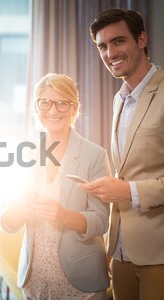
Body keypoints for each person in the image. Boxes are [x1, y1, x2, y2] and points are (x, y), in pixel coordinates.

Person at [0, 73, 111, 299]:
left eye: (62, 103)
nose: (53, 110)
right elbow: (8, 223)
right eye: (46, 102)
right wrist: (17, 213)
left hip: (81, 285)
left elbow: (101, 222)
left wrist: (65, 216)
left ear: (74, 108)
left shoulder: (94, 155)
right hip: (36, 281)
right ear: (36, 107)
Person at [84, 8, 164, 300]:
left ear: (141, 40)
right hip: (121, 254)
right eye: (102, 46)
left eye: (118, 41)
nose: (110, 53)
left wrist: (127, 190)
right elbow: (128, 170)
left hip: (159, 254)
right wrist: (112, 245)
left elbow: (128, 185)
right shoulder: (120, 99)